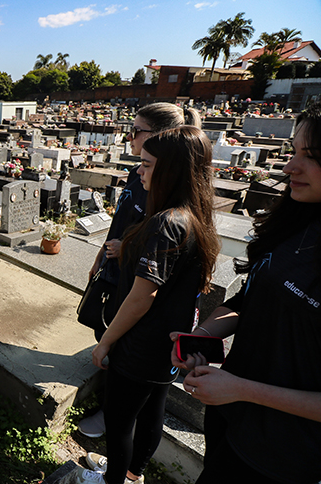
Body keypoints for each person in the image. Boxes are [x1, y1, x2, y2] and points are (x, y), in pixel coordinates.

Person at [173, 103, 321, 484]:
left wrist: (240, 389)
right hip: (231, 416)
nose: (290, 167)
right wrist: (202, 336)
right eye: (294, 152)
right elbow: (248, 301)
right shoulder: (295, 221)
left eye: (311, 156)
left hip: (280, 453)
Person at [71, 126, 220, 484]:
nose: (139, 171)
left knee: (120, 420)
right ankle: (132, 474)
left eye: (147, 164)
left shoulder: (165, 224)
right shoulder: (194, 217)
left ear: (171, 170)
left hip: (140, 345)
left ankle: (113, 480)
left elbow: (141, 298)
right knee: (153, 410)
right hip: (166, 345)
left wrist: (106, 341)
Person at [79, 103, 201, 438]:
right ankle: (113, 406)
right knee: (107, 333)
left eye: (136, 131)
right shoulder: (139, 175)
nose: (129, 137)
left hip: (136, 279)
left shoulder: (165, 192)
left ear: (160, 136)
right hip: (117, 270)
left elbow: (155, 240)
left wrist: (127, 248)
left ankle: (113, 414)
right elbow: (123, 221)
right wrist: (103, 254)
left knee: (118, 345)